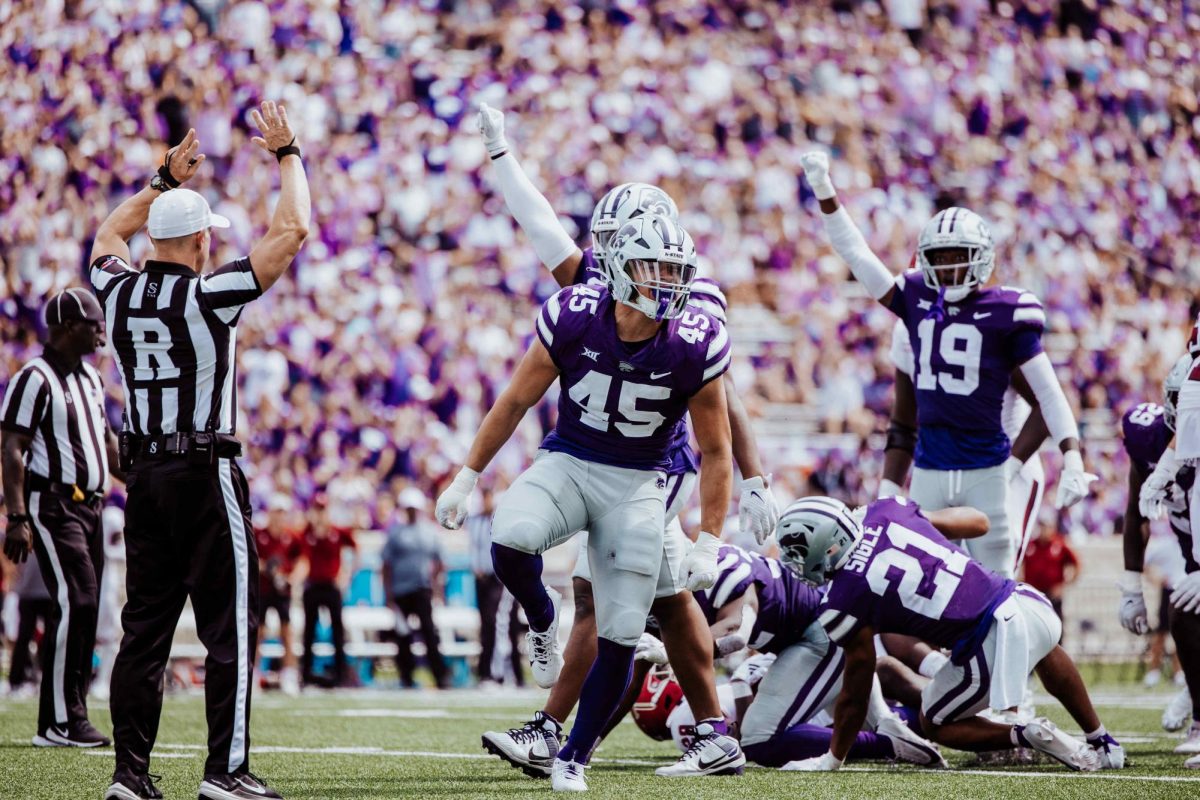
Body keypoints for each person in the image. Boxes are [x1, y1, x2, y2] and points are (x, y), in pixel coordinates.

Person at [475, 105, 773, 781]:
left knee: (599, 594)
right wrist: (502, 158)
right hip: (605, 462)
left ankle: (555, 735)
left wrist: (751, 481)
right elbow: (542, 225)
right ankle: (713, 735)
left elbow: (720, 402)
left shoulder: (687, 300)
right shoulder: (602, 286)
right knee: (665, 601)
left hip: (653, 468)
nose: (605, 251)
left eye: (620, 239)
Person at [436, 212, 738, 792]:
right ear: (620, 269)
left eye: (677, 271)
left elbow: (717, 448)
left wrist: (711, 537)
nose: (668, 284)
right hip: (571, 461)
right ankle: (542, 620)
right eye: (656, 271)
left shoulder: (696, 339)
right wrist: (467, 475)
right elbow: (515, 400)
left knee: (622, 626)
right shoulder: (576, 315)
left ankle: (572, 755)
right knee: (510, 534)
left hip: (642, 482)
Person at [90, 104, 309, 800]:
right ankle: (225, 772)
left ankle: (130, 776)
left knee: (144, 632)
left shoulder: (118, 293)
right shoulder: (210, 295)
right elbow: (293, 229)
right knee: (227, 629)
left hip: (145, 477)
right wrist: (288, 152)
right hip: (204, 470)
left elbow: (106, 232)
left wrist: (160, 178)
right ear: (199, 244)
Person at [800, 151, 1095, 575]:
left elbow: (1048, 397)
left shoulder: (1003, 316)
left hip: (998, 460)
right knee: (921, 576)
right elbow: (859, 258)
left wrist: (1063, 458)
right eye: (939, 258)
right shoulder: (913, 315)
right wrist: (826, 192)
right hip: (935, 462)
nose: (950, 267)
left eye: (958, 256)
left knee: (994, 581)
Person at [775, 495, 1124, 772]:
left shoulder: (840, 601)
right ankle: (1103, 740)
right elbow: (978, 522)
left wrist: (832, 759)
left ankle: (1023, 735)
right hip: (1027, 602)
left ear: (828, 544)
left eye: (799, 552)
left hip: (987, 641)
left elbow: (856, 688)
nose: (795, 563)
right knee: (1043, 646)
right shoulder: (887, 509)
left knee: (935, 720)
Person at [689, 542, 944, 768]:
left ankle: (887, 743)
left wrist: (671, 653)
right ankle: (908, 730)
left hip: (821, 635)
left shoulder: (722, 570)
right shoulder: (694, 573)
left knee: (759, 738)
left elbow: (735, 631)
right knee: (867, 720)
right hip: (809, 639)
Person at [1, 288, 124, 748]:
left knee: (81, 606)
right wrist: (16, 515)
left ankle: (67, 713)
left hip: (91, 504)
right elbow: (11, 446)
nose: (100, 330)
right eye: (93, 322)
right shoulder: (33, 377)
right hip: (52, 503)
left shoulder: (91, 379)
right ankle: (58, 721)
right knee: (79, 599)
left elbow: (107, 444)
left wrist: (143, 480)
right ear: (68, 327)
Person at [884, 316, 1050, 578]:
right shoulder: (908, 326)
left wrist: (1008, 471)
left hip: (1005, 465)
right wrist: (886, 498)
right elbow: (903, 424)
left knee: (992, 583)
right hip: (942, 467)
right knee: (928, 573)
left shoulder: (995, 322)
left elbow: (1047, 403)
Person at [1118, 355, 1200, 766]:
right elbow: (1136, 513)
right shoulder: (1147, 437)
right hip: (1192, 554)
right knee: (1183, 610)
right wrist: (1131, 586)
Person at [381, 488, 448, 690]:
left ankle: (439, 676)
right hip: (401, 591)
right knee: (402, 635)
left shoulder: (429, 531)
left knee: (428, 632)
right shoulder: (395, 532)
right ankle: (406, 676)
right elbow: (386, 565)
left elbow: (440, 561)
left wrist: (435, 585)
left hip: (421, 589)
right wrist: (388, 594)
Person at [295, 496, 357, 689]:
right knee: (309, 631)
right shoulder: (307, 533)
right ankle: (305, 674)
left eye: (323, 510)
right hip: (312, 585)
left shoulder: (337, 532)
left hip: (331, 585)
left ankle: (340, 674)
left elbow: (355, 549)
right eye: (318, 510)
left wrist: (346, 574)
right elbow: (295, 551)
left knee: (337, 631)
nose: (320, 514)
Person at [466, 484, 524, 687]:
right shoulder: (476, 522)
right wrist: (476, 567)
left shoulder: (503, 522)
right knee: (488, 625)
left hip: (502, 579)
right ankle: (487, 672)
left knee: (502, 624)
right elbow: (473, 546)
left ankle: (508, 673)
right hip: (484, 579)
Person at [254, 494, 302, 696]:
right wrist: (266, 569)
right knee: (258, 632)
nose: (279, 516)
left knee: (287, 632)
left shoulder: (291, 537)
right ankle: (254, 673)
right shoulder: (259, 535)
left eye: (283, 512)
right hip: (262, 589)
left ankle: (289, 674)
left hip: (282, 591)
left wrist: (290, 578)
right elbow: (249, 557)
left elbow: (301, 561)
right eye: (276, 512)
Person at [8, 551, 52, 695]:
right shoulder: (24, 528)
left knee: (51, 638)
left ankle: (46, 679)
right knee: (24, 635)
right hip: (27, 590)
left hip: (49, 591)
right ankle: (16, 680)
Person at [1021, 523, 1080, 624]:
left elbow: (1075, 564)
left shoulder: (1059, 544)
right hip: (1033, 592)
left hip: (1052, 593)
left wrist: (1064, 585)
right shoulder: (1030, 545)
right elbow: (1020, 563)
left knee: (1055, 622)